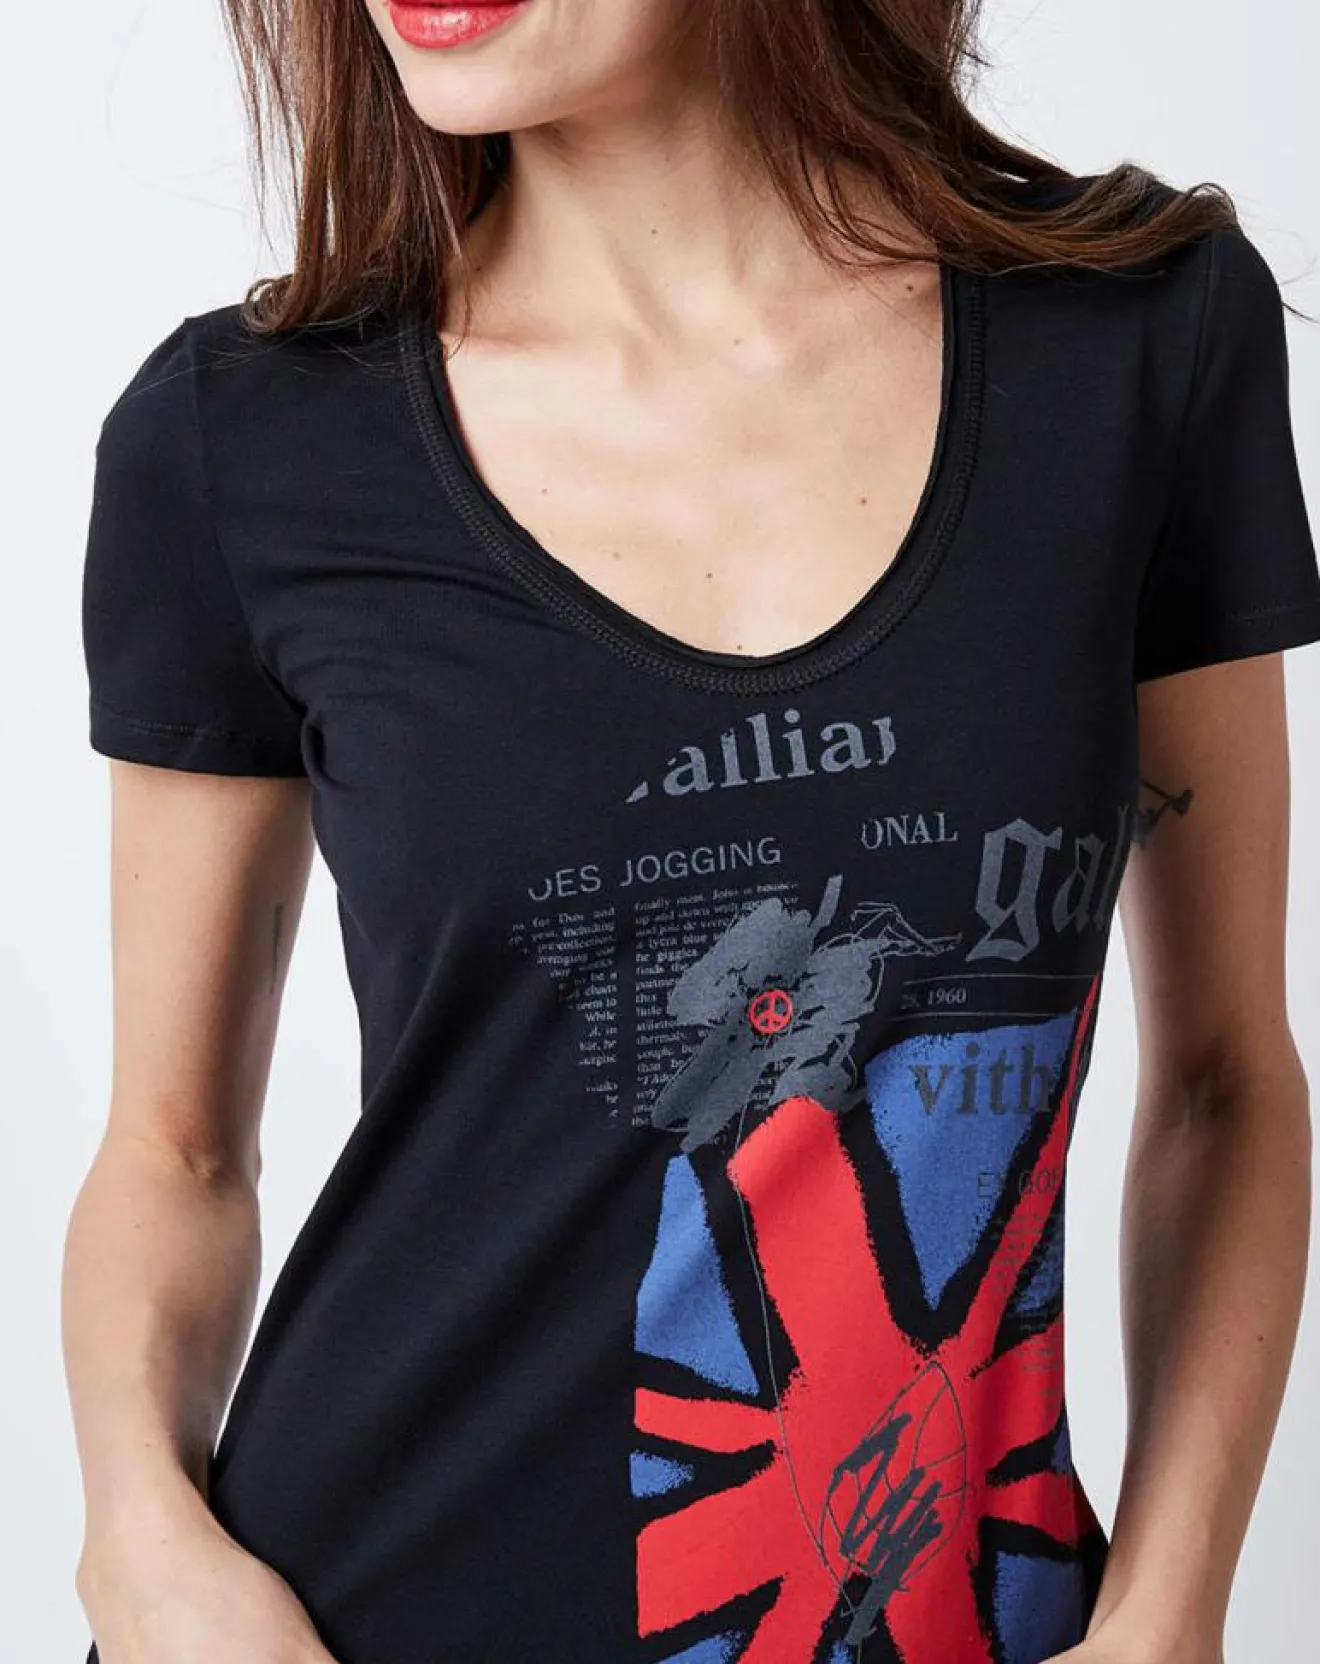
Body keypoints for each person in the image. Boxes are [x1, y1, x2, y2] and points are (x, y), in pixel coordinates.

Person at [62, 1, 1320, 1661]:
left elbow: (1227, 1081)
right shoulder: (241, 440)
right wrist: (140, 1546)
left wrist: (1170, 1610)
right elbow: (175, 1152)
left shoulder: (1141, 342)